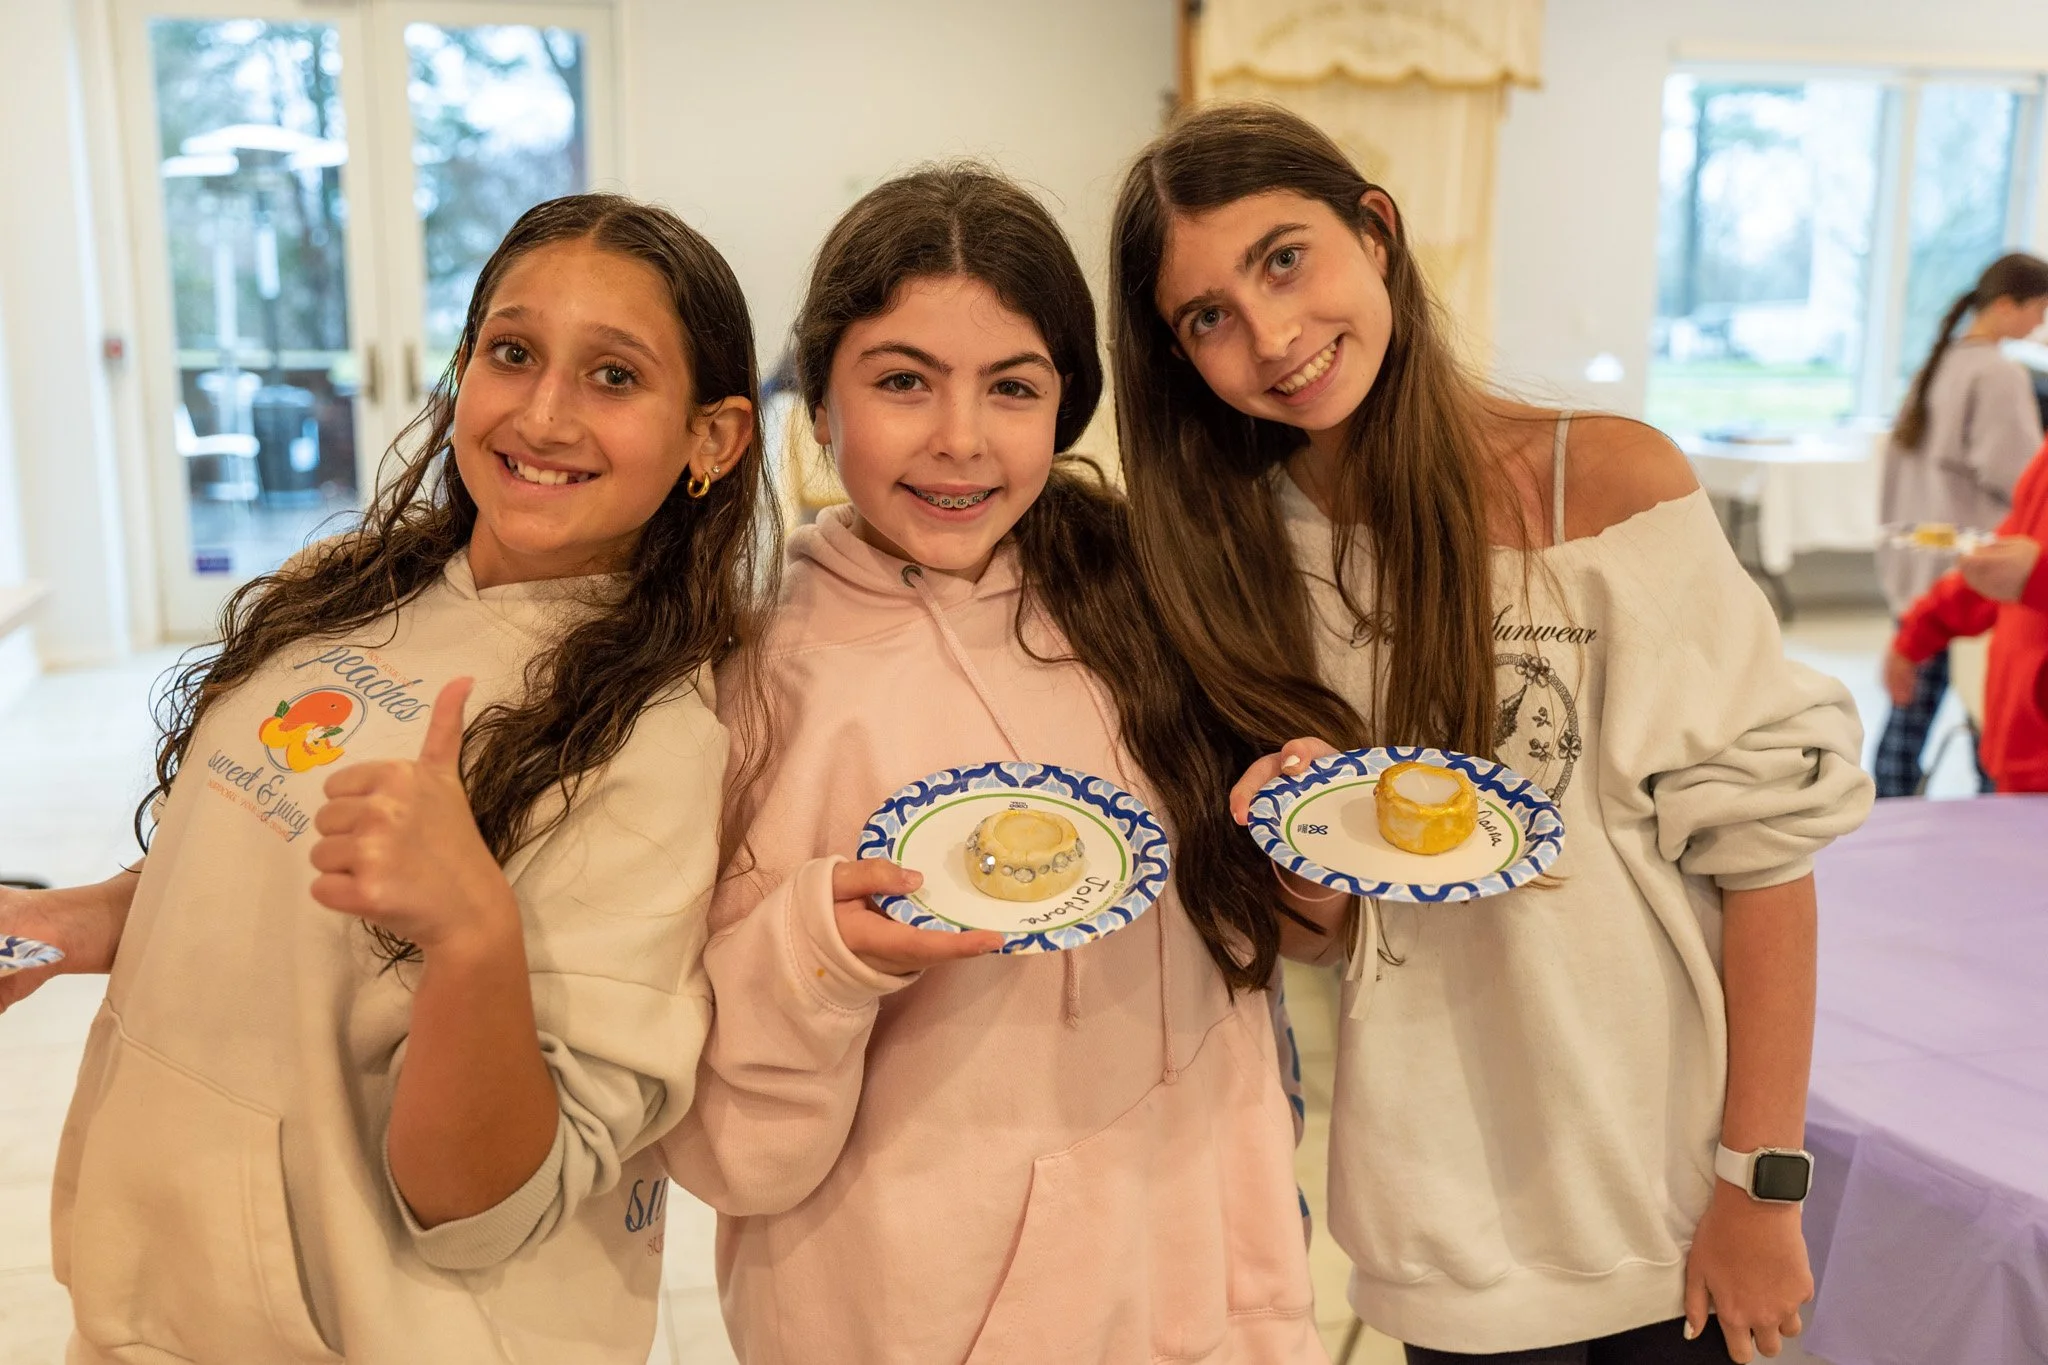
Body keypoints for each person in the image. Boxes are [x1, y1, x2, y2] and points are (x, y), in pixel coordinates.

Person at [1108, 103, 1874, 1365]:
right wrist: (1300, 861)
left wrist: (1760, 1183)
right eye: (1206, 317)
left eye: (1283, 259)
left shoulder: (1608, 488)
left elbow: (1764, 862)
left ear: (1375, 231)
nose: (1271, 337)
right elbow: (1328, 939)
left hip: (1667, 1202)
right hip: (1444, 1221)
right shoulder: (1234, 559)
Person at [0, 194, 772, 1363]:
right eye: (511, 353)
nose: (543, 413)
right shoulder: (347, 590)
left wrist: (471, 937)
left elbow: (484, 1202)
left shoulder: (652, 742)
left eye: (613, 376)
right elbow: (265, 871)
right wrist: (75, 921)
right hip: (157, 1300)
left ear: (710, 437)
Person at [667, 165, 1325, 1363]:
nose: (960, 440)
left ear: (1063, 409)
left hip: (1197, 1299)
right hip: (906, 1324)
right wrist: (817, 953)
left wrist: (1301, 848)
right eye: (903, 381)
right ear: (819, 402)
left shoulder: (1155, 610)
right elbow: (731, 1157)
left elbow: (1266, 957)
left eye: (1011, 387)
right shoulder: (751, 686)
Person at [1874, 252, 2048, 795]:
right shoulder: (1997, 374)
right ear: (2007, 306)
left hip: (1940, 576)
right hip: (1973, 580)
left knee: (1915, 724)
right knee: (1965, 718)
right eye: (2039, 310)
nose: (2039, 325)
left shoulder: (1942, 361)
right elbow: (2014, 476)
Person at [1885, 433, 2048, 792]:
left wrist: (2038, 576)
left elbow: (2029, 567)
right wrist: (1922, 628)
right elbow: (2002, 558)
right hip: (2020, 755)